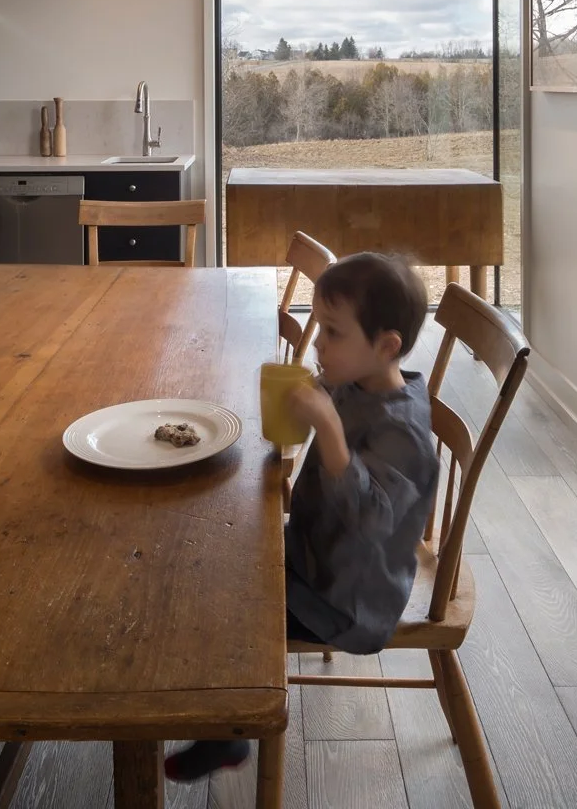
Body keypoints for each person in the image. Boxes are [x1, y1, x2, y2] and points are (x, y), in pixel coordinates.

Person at [166, 252, 439, 782]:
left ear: (386, 347)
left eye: (333, 332)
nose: (318, 342)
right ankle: (209, 703)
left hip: (349, 597)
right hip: (314, 552)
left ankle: (229, 733)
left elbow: (376, 526)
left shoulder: (403, 432)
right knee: (212, 558)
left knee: (233, 608)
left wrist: (331, 431)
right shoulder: (357, 381)